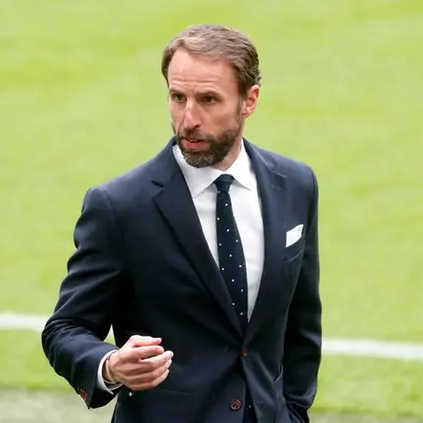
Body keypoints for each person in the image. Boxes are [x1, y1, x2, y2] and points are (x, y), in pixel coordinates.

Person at [41, 23, 322, 423]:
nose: (188, 119)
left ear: (250, 100)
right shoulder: (120, 207)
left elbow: (302, 323)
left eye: (208, 99)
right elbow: (64, 329)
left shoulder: (295, 185)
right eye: (178, 97)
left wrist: (293, 411)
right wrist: (110, 365)